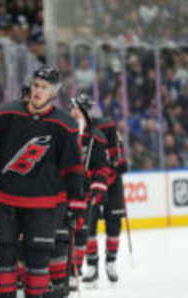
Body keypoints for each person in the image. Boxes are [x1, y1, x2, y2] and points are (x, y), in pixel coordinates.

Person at [0, 65, 85, 298]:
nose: (38, 91)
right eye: (36, 85)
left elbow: (73, 167)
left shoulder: (64, 124)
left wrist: (76, 202)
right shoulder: (6, 114)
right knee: (4, 259)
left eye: (44, 87)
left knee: (38, 261)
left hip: (44, 203)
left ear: (53, 93)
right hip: (6, 199)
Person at [67, 93, 111, 293]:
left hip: (83, 192)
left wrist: (97, 186)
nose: (73, 111)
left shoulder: (97, 137)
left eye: (77, 107)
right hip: (62, 190)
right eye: (72, 107)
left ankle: (76, 269)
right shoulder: (63, 130)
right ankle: (64, 272)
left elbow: (102, 167)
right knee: (62, 232)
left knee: (82, 231)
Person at [83, 108, 128, 284]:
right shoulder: (78, 130)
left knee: (114, 222)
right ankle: (92, 265)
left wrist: (121, 164)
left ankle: (111, 262)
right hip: (91, 181)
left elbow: (119, 149)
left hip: (112, 180)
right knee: (88, 223)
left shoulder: (108, 125)